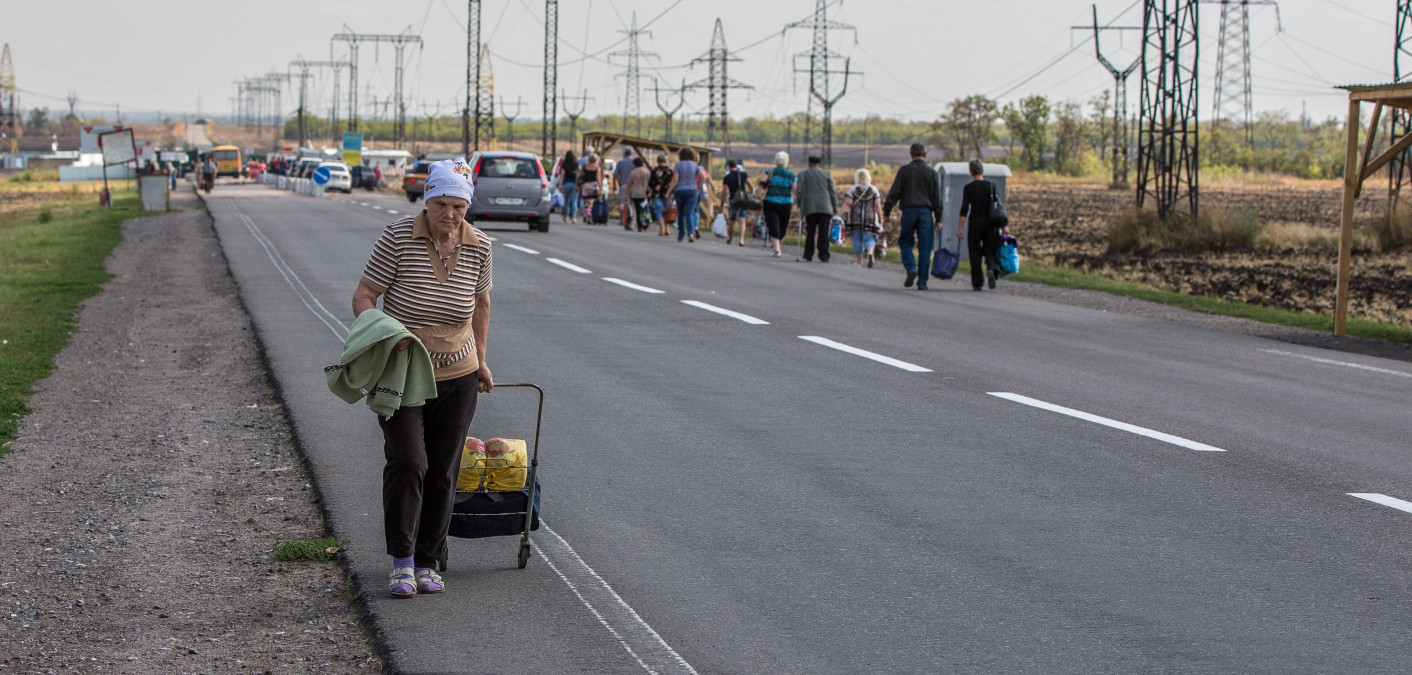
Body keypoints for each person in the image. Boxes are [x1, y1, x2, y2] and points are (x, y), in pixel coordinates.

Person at [350, 157, 494, 599]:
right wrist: (383, 333)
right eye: (440, 204)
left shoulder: (480, 246)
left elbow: (481, 305)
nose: (449, 215)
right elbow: (364, 296)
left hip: (460, 373)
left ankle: (430, 560)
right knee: (410, 461)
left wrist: (483, 360)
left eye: (458, 206)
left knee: (443, 470)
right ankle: (402, 561)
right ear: (426, 199)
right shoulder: (398, 236)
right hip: (403, 373)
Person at [882, 143, 944, 290]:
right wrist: (939, 218)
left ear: (911, 154)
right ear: (925, 154)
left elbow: (895, 192)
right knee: (925, 247)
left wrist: (887, 211)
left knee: (905, 242)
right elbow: (937, 198)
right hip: (926, 213)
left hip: (909, 211)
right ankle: (922, 282)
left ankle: (911, 268)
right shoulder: (931, 173)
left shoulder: (904, 171)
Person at [959, 158, 1004, 291]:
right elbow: (998, 207)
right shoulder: (991, 186)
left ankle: (977, 283)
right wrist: (1003, 226)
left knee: (975, 252)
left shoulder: (968, 188)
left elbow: (964, 209)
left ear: (971, 172)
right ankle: (991, 269)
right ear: (982, 170)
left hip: (975, 223)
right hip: (991, 223)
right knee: (990, 249)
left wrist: (960, 228)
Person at [795, 156, 838, 262]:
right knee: (823, 231)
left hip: (810, 207)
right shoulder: (827, 174)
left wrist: (799, 203)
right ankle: (824, 255)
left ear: (809, 163)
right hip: (825, 207)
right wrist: (835, 206)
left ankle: (808, 254)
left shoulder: (802, 174)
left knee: (810, 231)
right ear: (819, 164)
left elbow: (799, 191)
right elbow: (832, 192)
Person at [839, 168, 884, 267]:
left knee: (857, 239)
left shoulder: (853, 189)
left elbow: (847, 203)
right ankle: (870, 253)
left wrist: (839, 215)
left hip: (855, 219)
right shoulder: (874, 189)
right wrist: (881, 218)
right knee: (869, 237)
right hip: (870, 219)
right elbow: (877, 205)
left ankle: (859, 261)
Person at [757, 151, 797, 257]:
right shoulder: (791, 175)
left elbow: (760, 181)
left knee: (773, 224)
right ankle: (778, 246)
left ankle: (776, 248)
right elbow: (795, 189)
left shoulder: (770, 171)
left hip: (770, 202)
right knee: (783, 225)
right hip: (786, 203)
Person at [667, 148, 712, 242]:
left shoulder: (678, 165)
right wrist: (698, 187)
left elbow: (675, 180)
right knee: (690, 213)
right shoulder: (695, 165)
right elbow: (703, 176)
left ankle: (681, 234)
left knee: (681, 213)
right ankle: (691, 234)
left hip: (680, 190)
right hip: (692, 190)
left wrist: (668, 192)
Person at [720, 159, 751, 246]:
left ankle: (730, 239)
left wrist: (721, 206)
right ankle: (741, 240)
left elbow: (724, 192)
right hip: (742, 200)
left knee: (732, 220)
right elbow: (750, 184)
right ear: (736, 166)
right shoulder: (743, 174)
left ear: (728, 167)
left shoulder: (727, 178)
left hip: (733, 199)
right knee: (742, 219)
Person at [648, 155, 675, 236]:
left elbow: (651, 183)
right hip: (668, 193)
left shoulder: (654, 170)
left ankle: (662, 229)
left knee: (659, 211)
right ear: (665, 161)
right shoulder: (670, 171)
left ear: (657, 161)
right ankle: (667, 229)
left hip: (657, 193)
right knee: (667, 211)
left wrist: (649, 192)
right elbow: (672, 182)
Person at [625, 156, 651, 231]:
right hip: (645, 193)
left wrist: (626, 194)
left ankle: (639, 226)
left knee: (638, 210)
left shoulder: (632, 173)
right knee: (645, 209)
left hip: (635, 193)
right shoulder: (646, 172)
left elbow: (629, 184)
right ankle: (646, 223)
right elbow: (650, 182)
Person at [613, 147, 637, 227]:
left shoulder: (621, 162)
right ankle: (633, 220)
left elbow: (615, 175)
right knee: (633, 203)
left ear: (624, 154)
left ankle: (624, 219)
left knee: (624, 203)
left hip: (624, 185)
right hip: (634, 185)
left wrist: (614, 185)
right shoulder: (635, 162)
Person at [579, 154, 604, 224]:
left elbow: (580, 176)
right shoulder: (597, 168)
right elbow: (598, 179)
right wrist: (600, 188)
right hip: (593, 186)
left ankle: (586, 214)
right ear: (595, 160)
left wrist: (577, 185)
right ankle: (590, 214)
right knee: (592, 202)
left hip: (585, 185)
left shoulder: (584, 167)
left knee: (586, 201)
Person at [555, 150, 579, 223]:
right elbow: (578, 176)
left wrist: (560, 185)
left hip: (566, 184)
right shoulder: (576, 164)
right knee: (574, 201)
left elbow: (562, 175)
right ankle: (573, 217)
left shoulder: (564, 164)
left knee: (566, 201)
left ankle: (565, 216)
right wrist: (577, 185)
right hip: (574, 184)